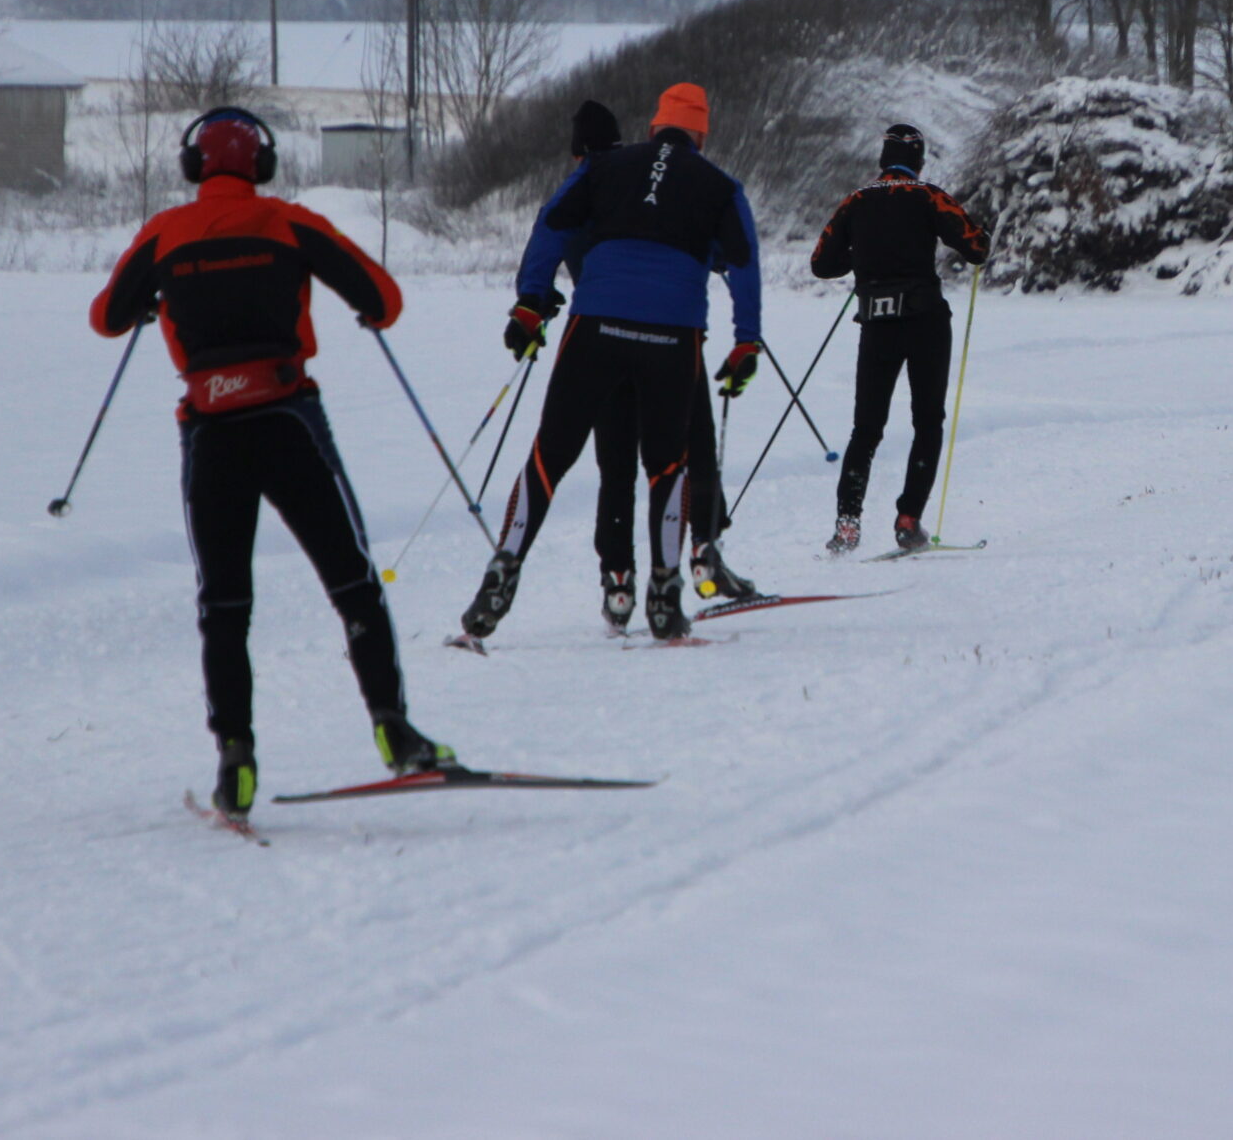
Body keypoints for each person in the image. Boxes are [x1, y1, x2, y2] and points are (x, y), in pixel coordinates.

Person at [89, 107, 452, 822]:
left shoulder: (163, 232)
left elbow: (107, 317)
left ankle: (235, 754)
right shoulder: (288, 221)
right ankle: (395, 727)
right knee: (352, 581)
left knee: (224, 606)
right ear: (262, 165)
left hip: (210, 435)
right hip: (289, 421)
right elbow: (386, 300)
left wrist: (159, 297)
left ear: (196, 168)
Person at [464, 83, 763, 643]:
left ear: (653, 128)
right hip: (673, 336)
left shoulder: (605, 167)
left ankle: (504, 567)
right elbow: (743, 261)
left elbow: (552, 222)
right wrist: (747, 341)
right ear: (701, 134)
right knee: (666, 466)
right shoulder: (721, 187)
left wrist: (531, 301)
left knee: (549, 457)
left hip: (595, 326)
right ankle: (665, 596)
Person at [810, 122, 991, 552]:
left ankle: (847, 525)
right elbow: (976, 247)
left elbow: (821, 264)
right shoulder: (929, 195)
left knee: (866, 429)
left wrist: (864, 256)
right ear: (919, 160)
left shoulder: (856, 202)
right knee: (927, 422)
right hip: (926, 322)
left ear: (882, 159)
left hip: (876, 325)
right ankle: (908, 520)